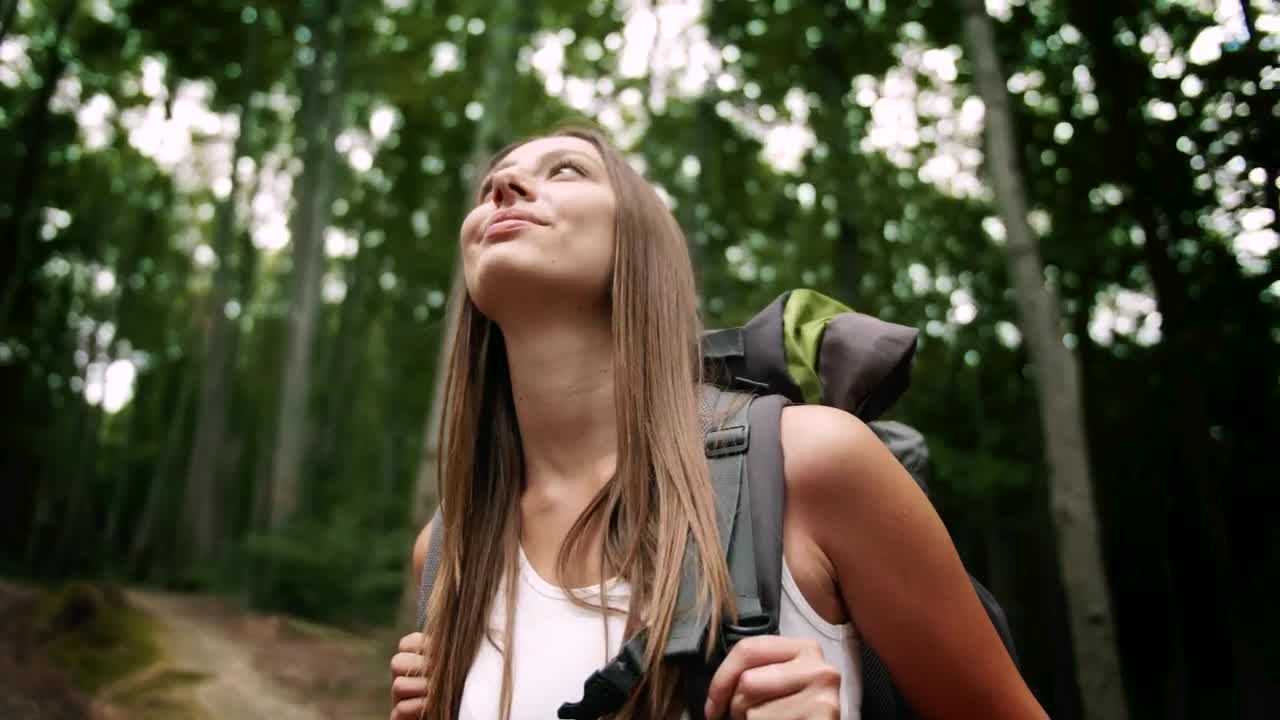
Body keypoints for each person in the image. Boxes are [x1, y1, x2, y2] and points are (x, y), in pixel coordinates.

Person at [388, 126, 1047, 720]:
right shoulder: (448, 551)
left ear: (642, 244)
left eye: (566, 171)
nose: (503, 186)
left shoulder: (813, 464)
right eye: (488, 188)